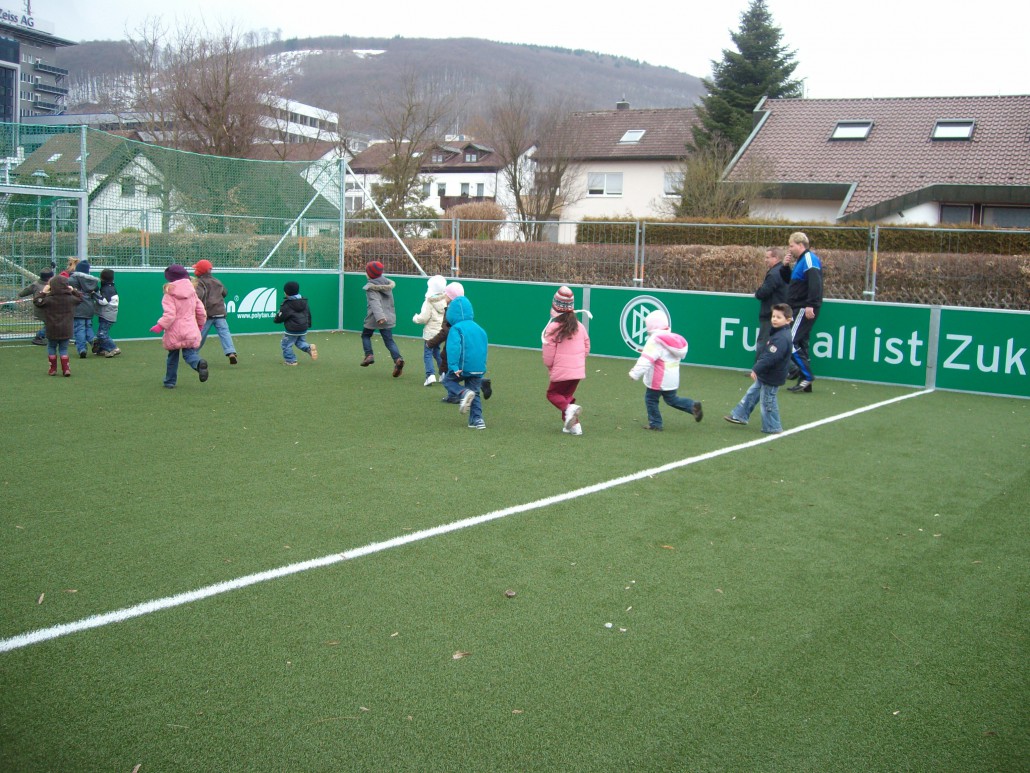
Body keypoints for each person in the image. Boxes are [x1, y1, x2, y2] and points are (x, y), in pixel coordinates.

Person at [628, 309, 703, 431]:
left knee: (651, 399)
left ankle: (655, 423)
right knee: (672, 399)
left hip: (658, 379)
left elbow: (646, 359)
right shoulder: (674, 339)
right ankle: (692, 406)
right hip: (672, 378)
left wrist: (635, 374)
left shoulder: (654, 341)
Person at [724, 303, 794, 433]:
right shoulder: (778, 334)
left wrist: (756, 368)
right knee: (753, 393)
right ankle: (740, 415)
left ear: (788, 320)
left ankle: (773, 426)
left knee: (768, 401)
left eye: (779, 317)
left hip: (772, 376)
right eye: (773, 316)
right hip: (767, 374)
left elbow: (771, 357)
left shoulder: (781, 338)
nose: (774, 319)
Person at [150, 264, 209, 388]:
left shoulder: (169, 294)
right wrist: (200, 326)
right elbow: (201, 312)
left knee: (172, 357)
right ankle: (198, 363)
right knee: (189, 354)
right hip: (190, 329)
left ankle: (170, 381)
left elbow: (170, 315)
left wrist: (160, 326)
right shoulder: (193, 293)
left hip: (175, 331)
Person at [542, 285, 590, 436]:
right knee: (566, 397)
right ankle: (574, 427)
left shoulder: (553, 328)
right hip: (577, 371)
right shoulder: (580, 327)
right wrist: (578, 361)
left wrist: (550, 366)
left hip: (561, 370)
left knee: (552, 394)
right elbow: (587, 347)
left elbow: (549, 353)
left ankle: (569, 410)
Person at [785, 231, 823, 393]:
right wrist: (785, 267)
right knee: (801, 343)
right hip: (798, 307)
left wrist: (811, 305)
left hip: (803, 308)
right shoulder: (801, 261)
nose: (790, 249)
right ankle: (805, 383)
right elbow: (791, 283)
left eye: (791, 246)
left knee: (789, 341)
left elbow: (815, 283)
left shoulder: (809, 259)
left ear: (801, 245)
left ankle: (807, 376)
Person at [447, 293, 489, 430]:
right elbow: (483, 348)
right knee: (475, 392)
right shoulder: (480, 329)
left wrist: (453, 365)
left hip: (463, 366)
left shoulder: (456, 328)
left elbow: (454, 348)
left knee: (448, 381)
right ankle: (477, 420)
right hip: (478, 367)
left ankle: (463, 393)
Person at [360, 261, 404, 377]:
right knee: (389, 341)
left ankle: (369, 355)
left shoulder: (371, 288)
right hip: (388, 316)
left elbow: (375, 303)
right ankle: (398, 359)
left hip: (375, 317)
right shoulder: (387, 284)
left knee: (365, 335)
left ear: (369, 274)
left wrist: (380, 317)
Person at [33, 274, 82, 377]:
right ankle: (66, 369)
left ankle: (52, 369)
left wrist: (43, 292)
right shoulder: (71, 299)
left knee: (51, 346)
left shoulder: (49, 299)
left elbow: (37, 301)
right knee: (64, 349)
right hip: (66, 329)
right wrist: (73, 290)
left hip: (52, 329)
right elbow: (80, 298)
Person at [193, 259, 238, 365]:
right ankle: (231, 352)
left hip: (207, 314)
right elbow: (225, 292)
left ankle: (193, 353)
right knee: (225, 333)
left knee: (200, 334)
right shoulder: (217, 281)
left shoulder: (199, 283)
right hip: (220, 313)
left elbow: (198, 296)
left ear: (199, 271)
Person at [430, 282, 465, 404]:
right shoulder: (464, 310)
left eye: (446, 295)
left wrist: (431, 342)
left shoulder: (451, 312)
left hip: (452, 346)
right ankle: (481, 383)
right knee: (464, 370)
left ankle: (455, 394)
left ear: (450, 297)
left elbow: (445, 332)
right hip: (464, 345)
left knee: (447, 373)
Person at [412, 273, 447, 386]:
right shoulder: (445, 300)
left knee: (428, 353)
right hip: (440, 332)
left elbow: (424, 317)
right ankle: (443, 374)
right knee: (437, 352)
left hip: (430, 333)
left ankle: (430, 375)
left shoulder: (429, 301)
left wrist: (416, 318)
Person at [754, 247, 788, 358]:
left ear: (776, 258)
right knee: (777, 343)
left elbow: (764, 291)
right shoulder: (782, 271)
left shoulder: (774, 273)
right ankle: (792, 368)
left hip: (770, 313)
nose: (765, 260)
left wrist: (757, 293)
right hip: (778, 312)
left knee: (763, 342)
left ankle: (758, 369)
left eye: (767, 257)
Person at [273, 280, 317, 366]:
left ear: (286, 293)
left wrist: (276, 319)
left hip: (292, 329)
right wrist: (308, 324)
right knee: (299, 342)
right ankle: (309, 348)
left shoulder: (287, 304)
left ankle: (291, 360)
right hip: (303, 327)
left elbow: (281, 316)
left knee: (285, 344)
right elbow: (308, 314)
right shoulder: (304, 302)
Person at [67, 259, 99, 359]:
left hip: (78, 306)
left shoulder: (72, 279)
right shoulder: (92, 281)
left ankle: (82, 349)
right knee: (88, 326)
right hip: (89, 306)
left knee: (79, 328)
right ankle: (92, 339)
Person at [18, 268, 53, 344]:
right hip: (47, 309)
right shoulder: (52, 285)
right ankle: (39, 336)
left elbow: (23, 293)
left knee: (51, 324)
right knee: (51, 324)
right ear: (50, 277)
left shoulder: (35, 284)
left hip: (40, 309)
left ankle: (44, 336)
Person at [93, 268, 121, 357]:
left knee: (101, 334)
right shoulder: (110, 287)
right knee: (103, 332)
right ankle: (102, 350)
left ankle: (113, 348)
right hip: (109, 314)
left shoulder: (107, 289)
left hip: (107, 315)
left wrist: (94, 295)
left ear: (102, 278)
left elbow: (103, 301)